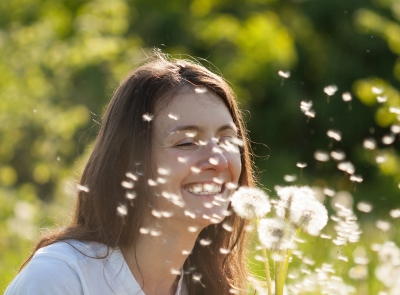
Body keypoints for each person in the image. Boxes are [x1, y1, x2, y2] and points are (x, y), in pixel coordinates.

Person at [5, 51, 255, 295]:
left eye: (227, 140)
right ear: (131, 164)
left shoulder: (215, 286)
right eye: (186, 143)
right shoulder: (60, 279)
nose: (218, 160)